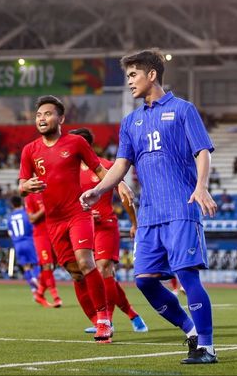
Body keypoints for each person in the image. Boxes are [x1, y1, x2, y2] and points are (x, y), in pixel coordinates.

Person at [79, 49, 219, 364]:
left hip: (182, 208)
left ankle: (207, 347)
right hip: (150, 215)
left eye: (133, 75)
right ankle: (190, 330)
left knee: (186, 275)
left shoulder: (183, 110)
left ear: (151, 75)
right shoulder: (130, 121)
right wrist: (99, 189)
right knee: (143, 280)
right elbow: (121, 164)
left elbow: (203, 151)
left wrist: (201, 186)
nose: (129, 81)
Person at [19, 95, 129, 344]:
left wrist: (119, 184)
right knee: (75, 272)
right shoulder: (29, 151)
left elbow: (100, 170)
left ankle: (104, 320)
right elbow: (21, 186)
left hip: (78, 212)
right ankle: (96, 321)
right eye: (38, 115)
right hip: (53, 220)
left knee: (85, 261)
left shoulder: (76, 142)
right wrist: (27, 185)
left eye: (47, 114)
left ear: (61, 118)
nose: (42, 118)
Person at [69, 127, 148, 334]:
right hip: (82, 227)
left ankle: (107, 321)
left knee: (104, 268)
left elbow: (125, 196)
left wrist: (134, 223)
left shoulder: (106, 167)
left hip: (105, 225)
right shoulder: (70, 170)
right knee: (94, 275)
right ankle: (131, 313)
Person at [6, 196, 47, 306]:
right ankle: (36, 281)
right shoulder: (25, 213)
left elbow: (9, 233)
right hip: (29, 241)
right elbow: (33, 225)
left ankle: (34, 291)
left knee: (26, 267)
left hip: (17, 244)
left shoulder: (9, 218)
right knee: (37, 264)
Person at [24, 192, 62, 307]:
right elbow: (32, 218)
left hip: (54, 232)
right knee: (47, 265)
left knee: (52, 266)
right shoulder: (30, 197)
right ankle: (56, 297)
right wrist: (45, 208)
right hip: (41, 235)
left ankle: (39, 293)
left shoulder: (50, 192)